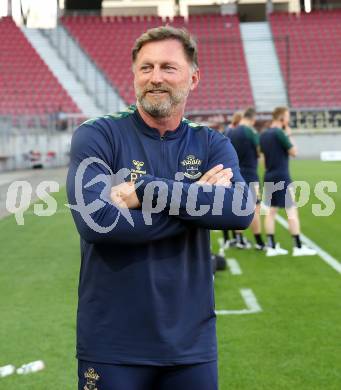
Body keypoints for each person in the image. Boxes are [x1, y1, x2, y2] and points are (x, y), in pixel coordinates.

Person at [67, 26, 253, 390]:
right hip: (112, 343)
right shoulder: (98, 135)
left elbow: (240, 211)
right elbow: (98, 223)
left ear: (193, 77)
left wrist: (145, 189)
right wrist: (195, 202)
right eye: (146, 68)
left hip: (190, 347)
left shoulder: (211, 142)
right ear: (134, 75)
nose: (155, 78)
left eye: (168, 67)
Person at [260, 107, 317, 257]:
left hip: (269, 175)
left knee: (271, 212)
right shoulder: (280, 133)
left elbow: (262, 158)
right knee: (291, 211)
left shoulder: (264, 134)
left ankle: (271, 246)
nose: (288, 119)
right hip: (282, 176)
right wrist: (290, 134)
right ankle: (298, 246)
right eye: (287, 116)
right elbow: (294, 152)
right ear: (281, 118)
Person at [227, 107, 265, 250]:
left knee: (238, 207)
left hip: (235, 172)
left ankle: (239, 239)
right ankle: (259, 242)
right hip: (250, 173)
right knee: (255, 207)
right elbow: (259, 151)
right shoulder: (250, 131)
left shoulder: (231, 131)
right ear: (253, 119)